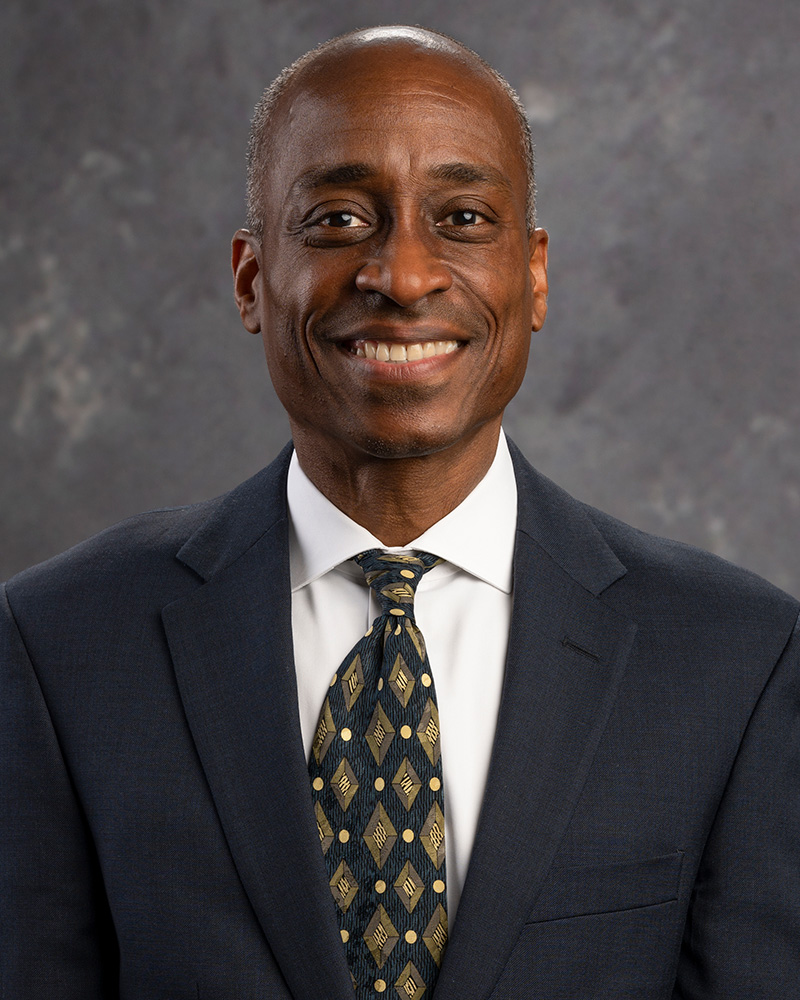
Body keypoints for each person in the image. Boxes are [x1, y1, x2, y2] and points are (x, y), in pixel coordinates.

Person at [2, 24, 799, 1000]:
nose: (403, 275)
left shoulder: (736, 657)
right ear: (252, 279)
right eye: (337, 220)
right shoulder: (61, 642)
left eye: (462, 218)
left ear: (534, 273)